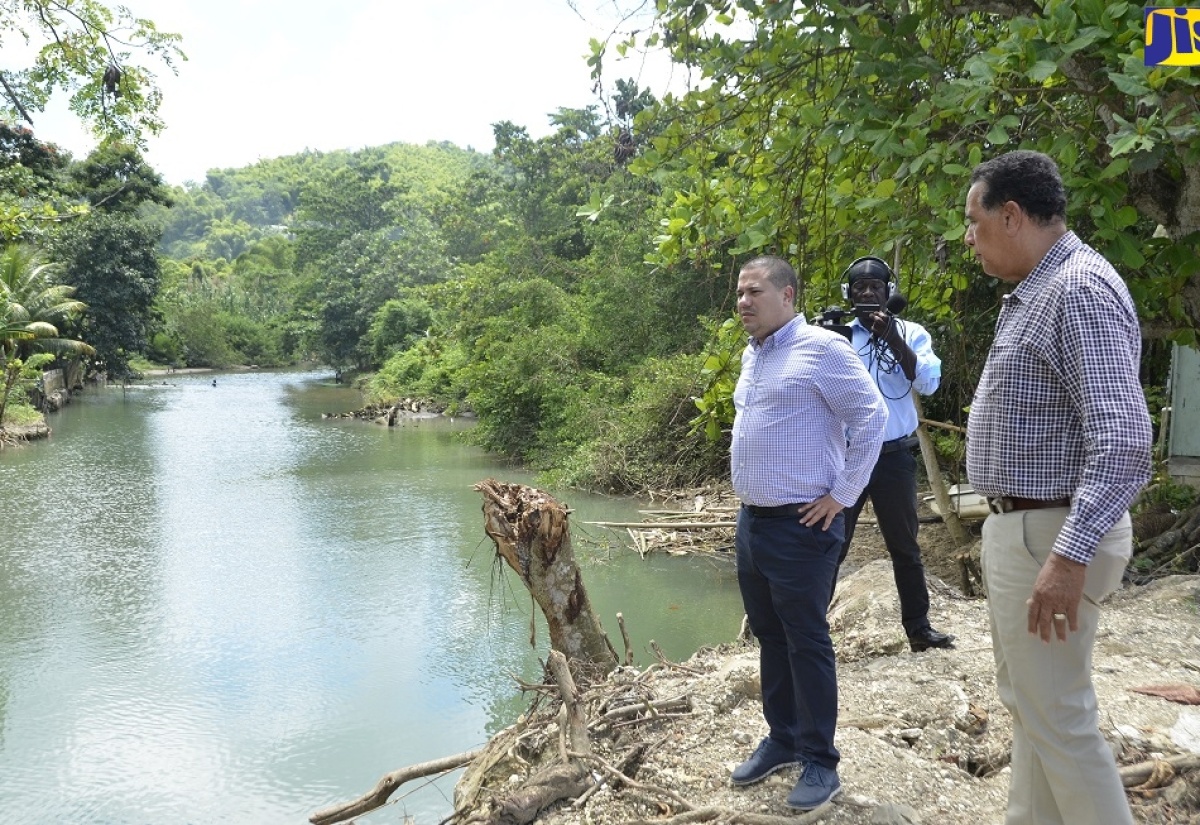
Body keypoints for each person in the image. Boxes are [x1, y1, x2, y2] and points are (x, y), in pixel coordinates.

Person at [963, 150, 1151, 825]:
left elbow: (1124, 441)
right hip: (1029, 529)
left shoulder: (1077, 288)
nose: (967, 237)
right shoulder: (1038, 289)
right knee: (1033, 706)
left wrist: (1067, 557)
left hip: (1053, 532)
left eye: (974, 221)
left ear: (1010, 215)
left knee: (1061, 719)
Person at [729, 255, 887, 811]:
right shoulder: (754, 357)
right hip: (754, 524)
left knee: (807, 641)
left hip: (802, 525)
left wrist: (842, 496)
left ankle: (821, 760)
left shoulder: (821, 349)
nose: (743, 302)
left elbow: (872, 418)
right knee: (770, 637)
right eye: (739, 293)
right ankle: (783, 738)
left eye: (754, 291)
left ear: (788, 294)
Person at [831, 256, 955, 652]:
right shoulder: (836, 335)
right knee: (832, 544)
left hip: (893, 456)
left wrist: (893, 341)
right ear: (848, 294)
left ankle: (919, 630)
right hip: (845, 458)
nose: (868, 292)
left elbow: (930, 383)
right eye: (860, 287)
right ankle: (811, 629)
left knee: (905, 546)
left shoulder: (911, 332)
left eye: (876, 286)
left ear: (889, 291)